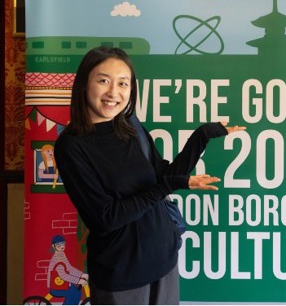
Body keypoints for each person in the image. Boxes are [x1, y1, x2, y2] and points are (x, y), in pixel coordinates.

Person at [54, 46, 245, 304]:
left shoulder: (130, 126)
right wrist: (168, 186)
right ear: (84, 84)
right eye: (103, 80)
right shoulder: (71, 146)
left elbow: (165, 176)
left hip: (164, 261)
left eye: (123, 83)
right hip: (121, 276)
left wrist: (201, 137)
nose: (114, 92)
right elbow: (106, 218)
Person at [47, 235, 88, 305]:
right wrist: (78, 280)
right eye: (58, 244)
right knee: (74, 293)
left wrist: (81, 274)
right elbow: (63, 276)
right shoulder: (57, 258)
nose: (61, 246)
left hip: (64, 284)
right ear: (53, 246)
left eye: (63, 243)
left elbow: (69, 268)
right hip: (56, 287)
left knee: (77, 292)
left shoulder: (61, 254)